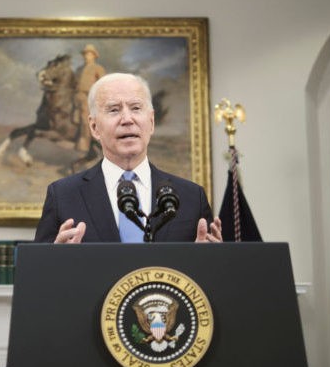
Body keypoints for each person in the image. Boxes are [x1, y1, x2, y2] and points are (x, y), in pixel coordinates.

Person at [34, 72, 222, 244]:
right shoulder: (63, 196)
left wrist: (208, 260)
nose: (127, 119)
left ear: (151, 121)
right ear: (94, 127)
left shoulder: (191, 197)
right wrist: (55, 259)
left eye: (136, 108)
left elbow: (213, 276)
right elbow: (38, 275)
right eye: (114, 110)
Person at [74, 44, 106, 152]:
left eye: (89, 54)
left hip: (88, 96)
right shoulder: (79, 69)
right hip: (76, 95)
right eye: (85, 54)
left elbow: (103, 84)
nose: (86, 56)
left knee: (84, 117)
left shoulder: (98, 68)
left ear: (94, 56)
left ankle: (84, 143)